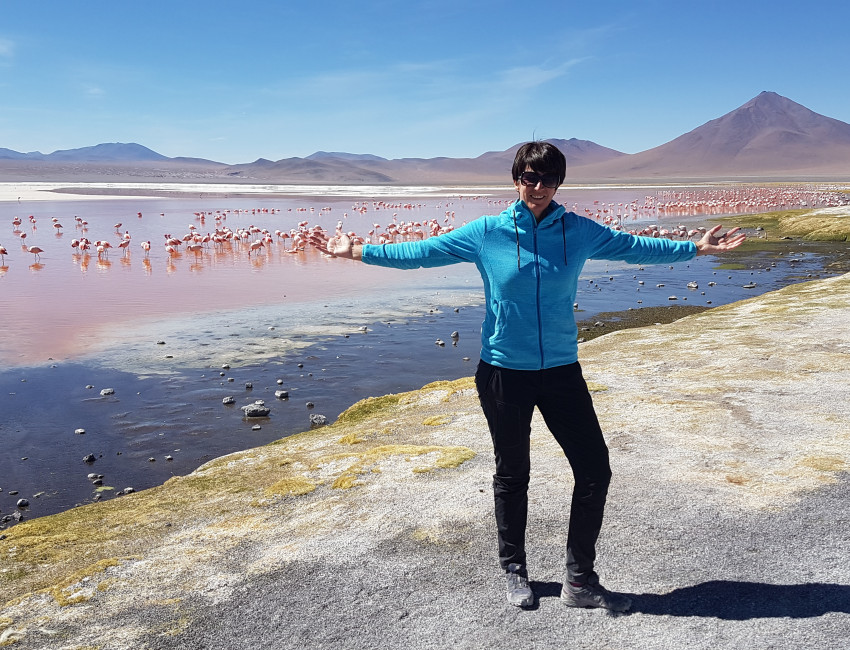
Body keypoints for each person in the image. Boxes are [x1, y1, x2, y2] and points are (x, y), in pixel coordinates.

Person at [310, 141, 746, 611]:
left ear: (560, 182)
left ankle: (579, 580)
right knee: (513, 473)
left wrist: (694, 248)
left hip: (561, 370)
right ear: (516, 179)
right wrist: (358, 251)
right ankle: (514, 569)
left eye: (548, 179)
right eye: (529, 178)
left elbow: (635, 246)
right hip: (503, 372)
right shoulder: (486, 232)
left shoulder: (578, 231)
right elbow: (422, 252)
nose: (538, 188)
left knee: (594, 470)